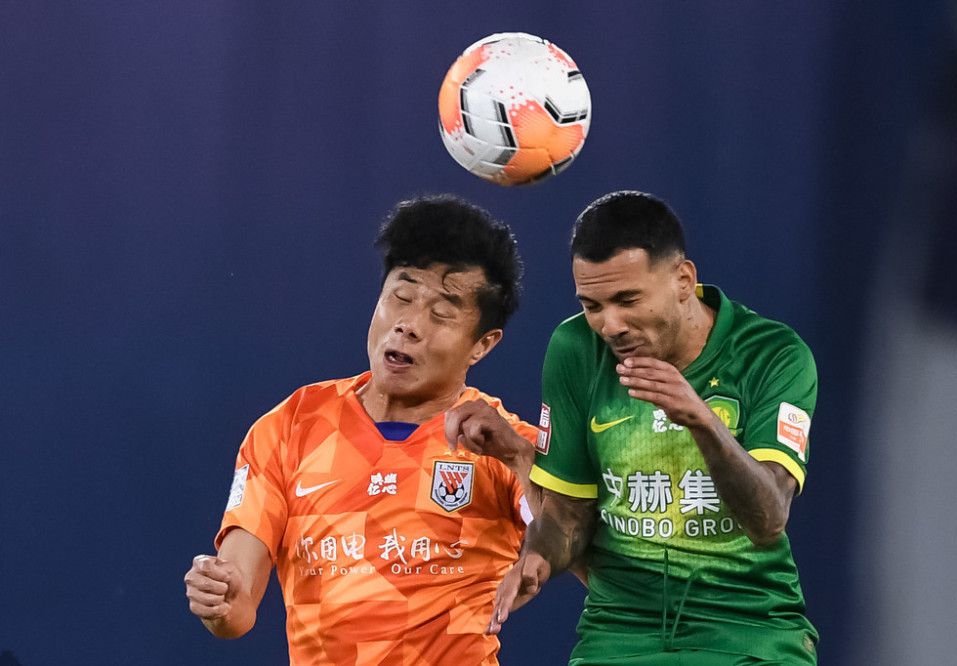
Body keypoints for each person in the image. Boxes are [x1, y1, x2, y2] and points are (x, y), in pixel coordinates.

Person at [183, 195, 540, 665]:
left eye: (442, 313)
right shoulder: (289, 428)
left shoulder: (505, 445)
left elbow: (567, 540)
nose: (408, 325)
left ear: (482, 345)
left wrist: (518, 458)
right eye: (401, 296)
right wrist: (220, 597)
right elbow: (238, 606)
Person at [489, 191, 819, 665]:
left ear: (683, 279)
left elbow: (768, 518)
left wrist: (701, 420)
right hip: (620, 632)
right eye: (592, 304)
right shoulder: (575, 349)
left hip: (749, 631)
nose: (610, 324)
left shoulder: (774, 355)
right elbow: (567, 515)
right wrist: (539, 558)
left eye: (627, 300)